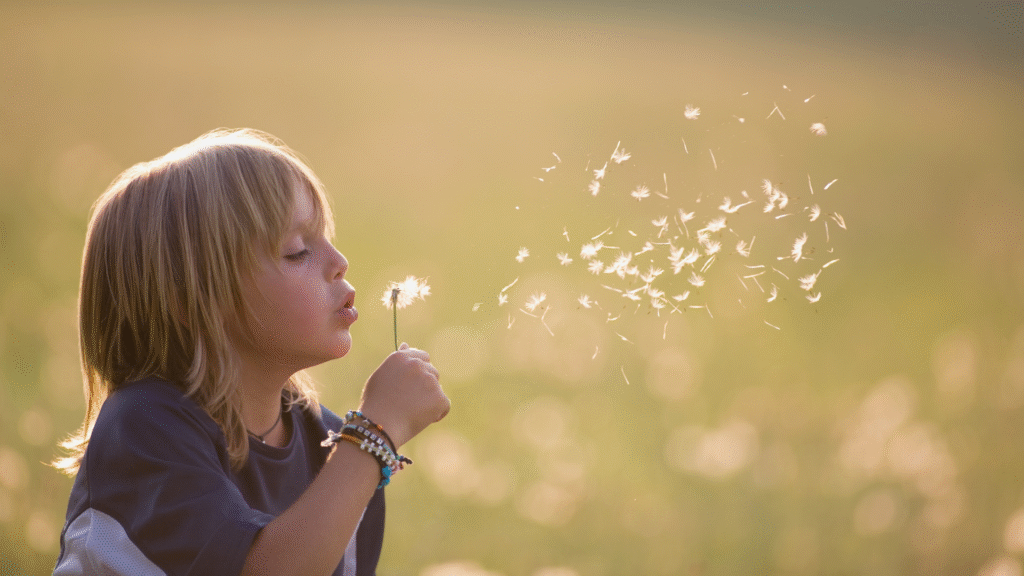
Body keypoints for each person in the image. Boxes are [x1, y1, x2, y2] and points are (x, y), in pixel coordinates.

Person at [50, 128, 450, 576]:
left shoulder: (333, 445)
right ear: (197, 300)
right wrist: (372, 439)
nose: (339, 261)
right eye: (297, 251)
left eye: (325, 238)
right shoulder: (145, 427)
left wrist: (361, 449)